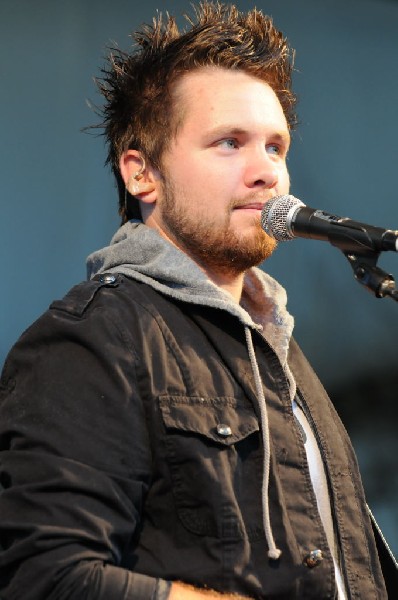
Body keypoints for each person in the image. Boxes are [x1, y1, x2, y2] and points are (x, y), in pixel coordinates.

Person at [0, 2, 389, 598]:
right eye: (229, 143)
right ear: (141, 175)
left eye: (276, 147)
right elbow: (44, 575)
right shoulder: (89, 342)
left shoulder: (274, 348)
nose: (267, 173)